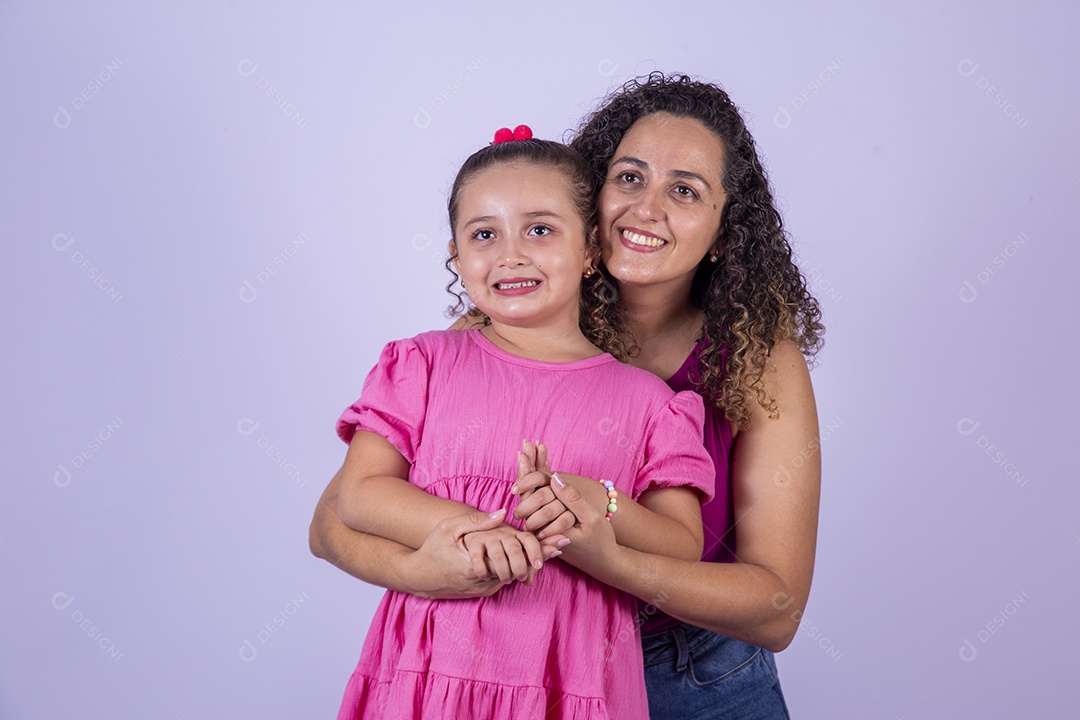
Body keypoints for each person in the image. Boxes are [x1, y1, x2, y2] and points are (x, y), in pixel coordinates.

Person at [311, 73, 824, 720]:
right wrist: (421, 571)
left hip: (700, 678)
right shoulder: (492, 332)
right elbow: (332, 522)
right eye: (629, 177)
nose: (646, 208)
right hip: (514, 665)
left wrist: (606, 548)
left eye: (685, 190)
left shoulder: (757, 361)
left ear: (726, 233)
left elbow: (777, 611)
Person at [329, 128, 715, 719]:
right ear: (456, 256)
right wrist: (475, 530)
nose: (510, 255)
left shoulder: (649, 403)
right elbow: (359, 495)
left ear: (590, 249)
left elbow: (683, 543)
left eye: (539, 230)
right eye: (485, 234)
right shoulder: (423, 363)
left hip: (570, 683)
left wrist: (601, 502)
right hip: (426, 681)